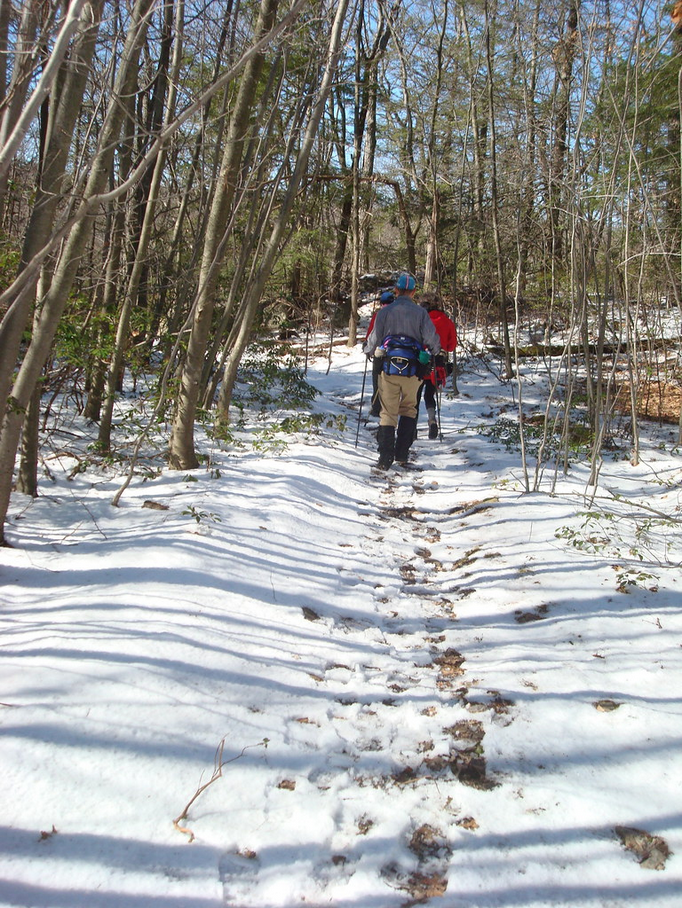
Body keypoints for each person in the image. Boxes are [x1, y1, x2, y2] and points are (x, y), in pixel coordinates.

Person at [363, 273, 441, 469]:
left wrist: (367, 350)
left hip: (389, 368)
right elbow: (432, 340)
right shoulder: (421, 313)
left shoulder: (385, 312)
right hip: (413, 370)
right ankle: (402, 454)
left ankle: (385, 458)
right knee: (408, 409)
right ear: (414, 292)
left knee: (388, 412)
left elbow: (373, 340)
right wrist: (434, 352)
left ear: (396, 291)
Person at [417, 293, 457, 439]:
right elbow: (452, 346)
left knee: (414, 395)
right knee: (429, 394)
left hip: (421, 360)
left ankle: (410, 428)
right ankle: (432, 419)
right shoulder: (447, 321)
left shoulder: (422, 320)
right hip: (439, 363)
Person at [365, 290, 395, 417]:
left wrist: (368, 349)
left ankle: (377, 406)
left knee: (377, 379)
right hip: (395, 352)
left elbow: (372, 334)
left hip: (380, 351)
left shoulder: (379, 315)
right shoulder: (398, 314)